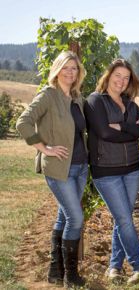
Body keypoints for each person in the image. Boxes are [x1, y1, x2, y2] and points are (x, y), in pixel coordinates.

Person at [16, 51, 87, 288]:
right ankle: (71, 276)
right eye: (65, 67)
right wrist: (44, 148)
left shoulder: (76, 98)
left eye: (74, 68)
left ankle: (55, 271)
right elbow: (23, 122)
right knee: (75, 218)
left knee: (63, 216)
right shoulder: (48, 95)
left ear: (79, 72)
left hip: (79, 167)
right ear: (57, 69)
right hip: (58, 168)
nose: (70, 72)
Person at [83, 59, 139, 285]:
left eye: (126, 77)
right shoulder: (95, 101)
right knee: (124, 218)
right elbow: (104, 133)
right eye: (117, 75)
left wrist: (122, 127)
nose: (121, 81)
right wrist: (131, 130)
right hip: (106, 170)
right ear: (108, 76)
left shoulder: (131, 105)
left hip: (132, 169)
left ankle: (114, 267)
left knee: (124, 219)